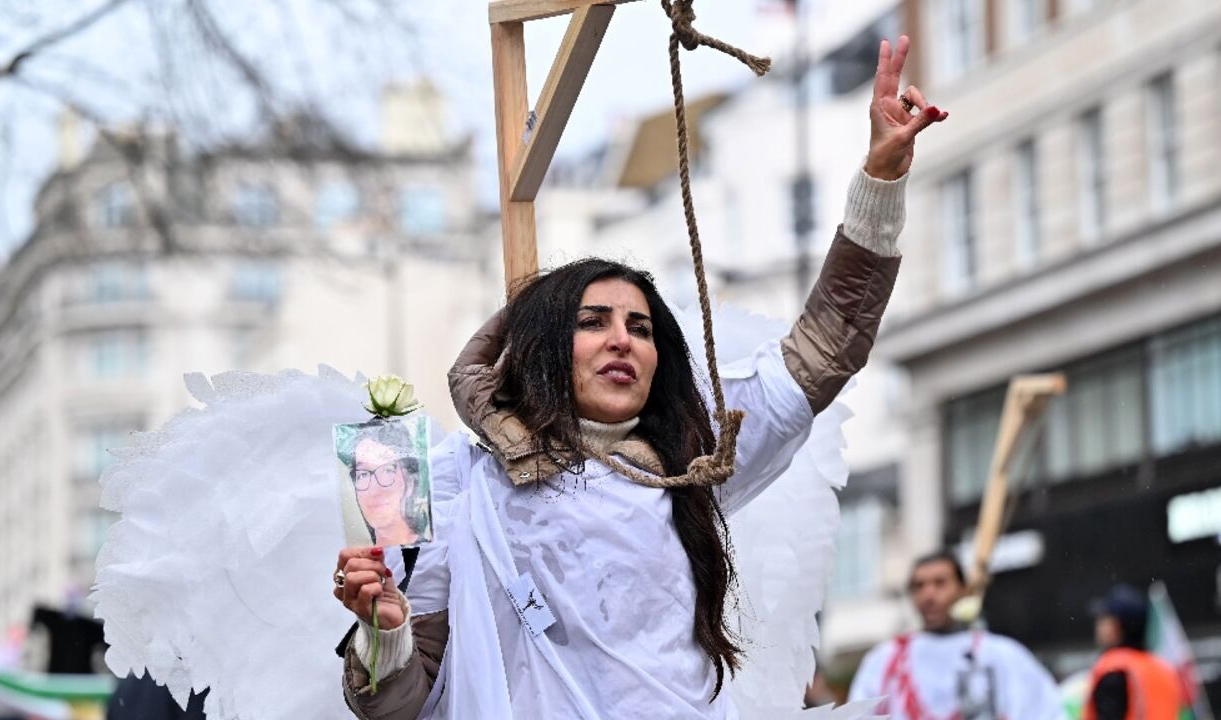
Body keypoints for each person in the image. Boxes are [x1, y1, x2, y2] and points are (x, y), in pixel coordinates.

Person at [332, 35, 948, 719]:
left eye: (642, 327)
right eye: (593, 321)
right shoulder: (447, 485)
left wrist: (880, 183)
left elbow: (825, 348)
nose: (623, 338)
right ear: (539, 350)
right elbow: (394, 706)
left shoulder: (695, 459)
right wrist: (382, 633)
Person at [848, 550, 1066, 719]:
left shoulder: (1003, 655)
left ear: (964, 590)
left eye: (940, 583)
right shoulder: (884, 661)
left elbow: (1045, 712)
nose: (928, 594)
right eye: (919, 586)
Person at [1084, 584, 1183, 720]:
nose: (1098, 625)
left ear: (1116, 626)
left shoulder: (1115, 669)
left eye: (1104, 618)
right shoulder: (1164, 670)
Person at [346, 423, 431, 547]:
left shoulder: (434, 554)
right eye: (363, 474)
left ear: (411, 482)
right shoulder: (355, 561)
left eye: (387, 470)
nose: (374, 491)